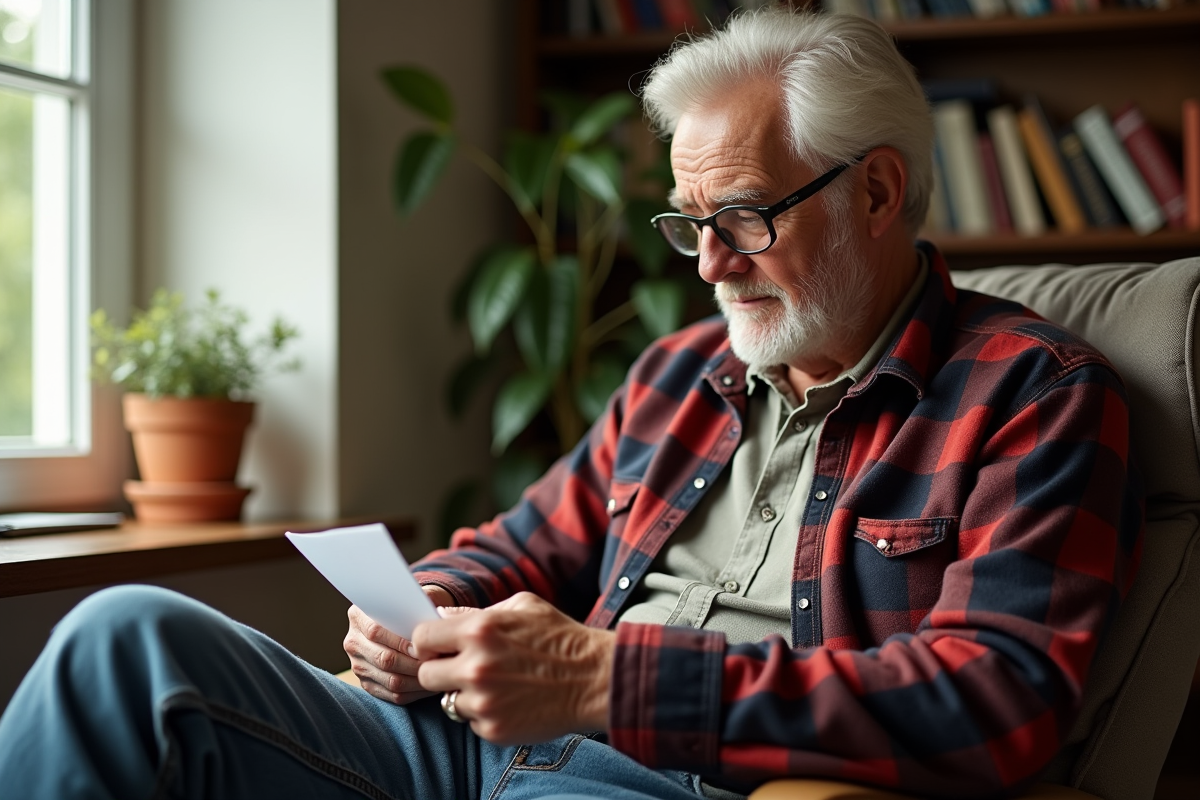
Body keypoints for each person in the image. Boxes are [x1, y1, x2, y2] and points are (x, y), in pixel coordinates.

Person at [0, 9, 1141, 800]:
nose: (707, 264)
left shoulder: (1030, 394)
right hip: (460, 744)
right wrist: (419, 611)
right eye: (689, 223)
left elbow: (996, 695)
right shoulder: (677, 376)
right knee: (123, 639)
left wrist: (606, 679)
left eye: (741, 218)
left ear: (878, 190)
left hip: (672, 775)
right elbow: (513, 547)